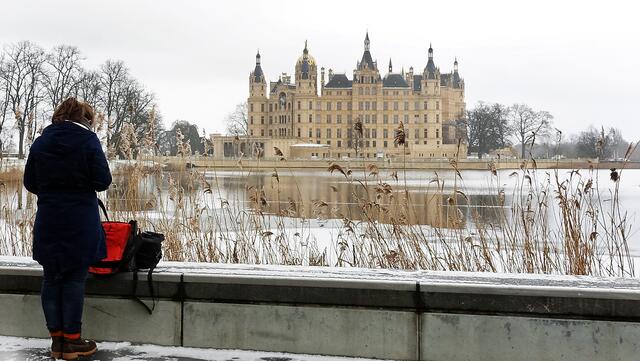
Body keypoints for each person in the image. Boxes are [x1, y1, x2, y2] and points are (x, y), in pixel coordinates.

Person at [23, 97, 112, 360]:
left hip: (49, 218)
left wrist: (52, 193)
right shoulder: (88, 141)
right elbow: (103, 180)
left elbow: (30, 182)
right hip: (79, 219)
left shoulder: (41, 142)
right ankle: (73, 342)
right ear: (85, 118)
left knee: (51, 278)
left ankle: (57, 343)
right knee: (74, 278)